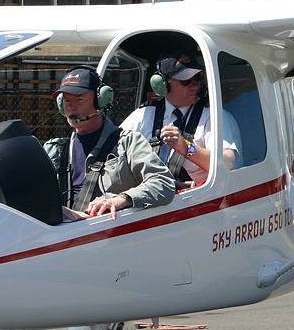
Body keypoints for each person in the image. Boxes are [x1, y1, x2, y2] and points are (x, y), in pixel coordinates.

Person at [44, 66, 174, 219]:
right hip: (62, 234)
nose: (71, 107)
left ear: (100, 100)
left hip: (107, 233)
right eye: (66, 101)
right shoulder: (54, 150)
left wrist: (123, 200)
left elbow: (163, 182)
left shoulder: (128, 143)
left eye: (79, 100)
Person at [120, 51, 238, 187]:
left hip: (194, 199)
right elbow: (113, 149)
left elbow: (228, 163)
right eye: (186, 81)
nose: (195, 85)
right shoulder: (144, 115)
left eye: (198, 77)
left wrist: (186, 147)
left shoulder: (214, 116)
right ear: (163, 85)